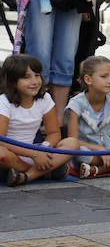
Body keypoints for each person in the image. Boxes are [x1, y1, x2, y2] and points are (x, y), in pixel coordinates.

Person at [0, 54, 78, 186]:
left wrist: (44, 149)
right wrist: (35, 155)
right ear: (12, 82)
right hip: (11, 156)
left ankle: (27, 176)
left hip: (35, 153)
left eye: (37, 75)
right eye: (26, 77)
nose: (35, 81)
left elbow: (54, 133)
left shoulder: (45, 99)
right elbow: (2, 140)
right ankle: (47, 172)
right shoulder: (4, 101)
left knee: (72, 143)